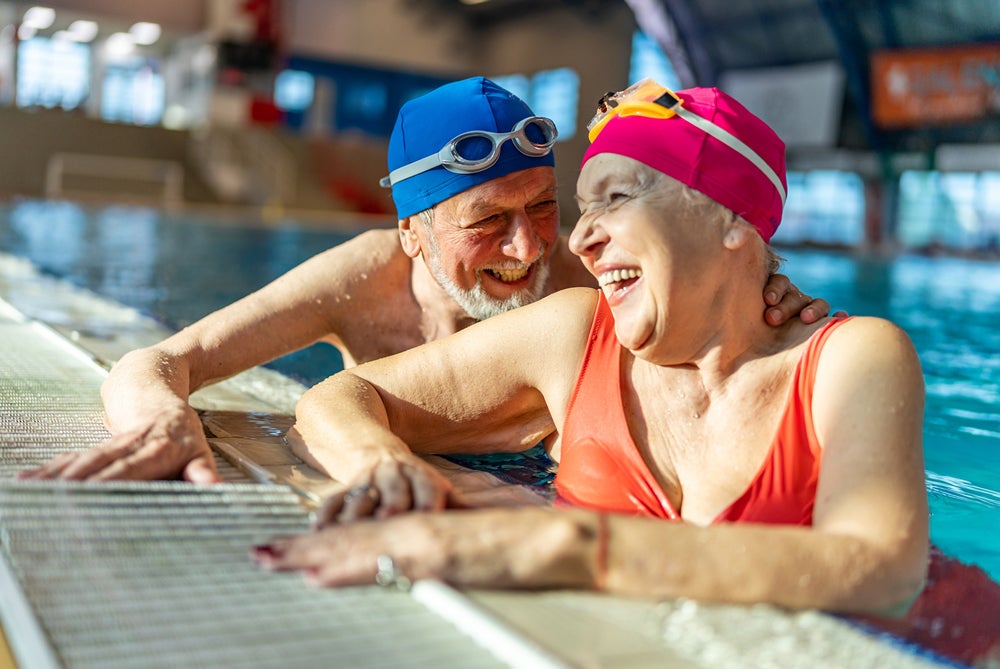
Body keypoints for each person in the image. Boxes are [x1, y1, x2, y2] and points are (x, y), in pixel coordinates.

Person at [253, 80, 1000, 666]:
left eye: (617, 197)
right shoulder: (573, 334)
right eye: (582, 207)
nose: (579, 239)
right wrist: (383, 465)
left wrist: (551, 545)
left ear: (729, 219)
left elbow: (879, 569)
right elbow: (338, 397)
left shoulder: (851, 356)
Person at [19, 77, 827, 486]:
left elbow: (707, 351)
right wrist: (164, 420)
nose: (529, 245)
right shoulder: (365, 280)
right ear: (412, 230)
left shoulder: (583, 280)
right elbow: (162, 361)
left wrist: (763, 292)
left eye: (543, 206)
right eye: (486, 220)